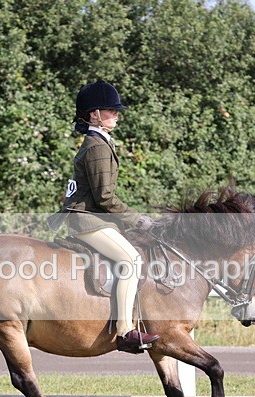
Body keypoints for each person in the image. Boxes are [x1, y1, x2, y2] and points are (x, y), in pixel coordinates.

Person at [61, 80, 160, 353]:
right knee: (132, 260)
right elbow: (104, 196)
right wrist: (138, 219)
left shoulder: (100, 142)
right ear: (94, 115)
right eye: (110, 110)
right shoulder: (96, 146)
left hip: (93, 218)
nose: (116, 114)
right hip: (86, 220)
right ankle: (125, 331)